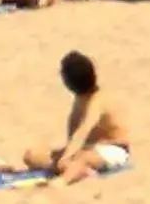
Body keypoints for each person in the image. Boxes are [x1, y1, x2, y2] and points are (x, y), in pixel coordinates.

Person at [23, 52, 132, 186]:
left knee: (79, 159)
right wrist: (64, 155)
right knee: (32, 155)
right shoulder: (80, 98)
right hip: (86, 148)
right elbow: (73, 132)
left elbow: (83, 131)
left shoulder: (97, 101)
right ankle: (79, 171)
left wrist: (66, 157)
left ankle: (64, 180)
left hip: (113, 149)